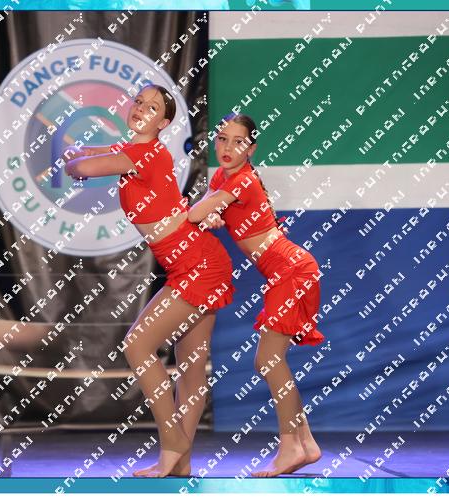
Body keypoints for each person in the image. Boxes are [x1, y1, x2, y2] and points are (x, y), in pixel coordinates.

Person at [63, 84, 234, 477]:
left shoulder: (146, 153)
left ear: (164, 122)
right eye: (139, 101)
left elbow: (85, 167)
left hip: (197, 264)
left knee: (138, 346)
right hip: (195, 261)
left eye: (153, 107)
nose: (141, 108)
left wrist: (74, 163)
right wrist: (81, 154)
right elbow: (96, 155)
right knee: (191, 367)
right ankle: (180, 463)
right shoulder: (133, 151)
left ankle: (174, 443)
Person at [186, 112, 324, 477]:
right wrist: (213, 214)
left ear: (251, 149)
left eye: (238, 142)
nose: (228, 148)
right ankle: (306, 443)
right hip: (286, 271)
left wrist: (209, 212)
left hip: (292, 269)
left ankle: (289, 447)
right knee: (271, 362)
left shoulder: (243, 179)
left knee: (268, 361)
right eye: (222, 139)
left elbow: (195, 214)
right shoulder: (221, 178)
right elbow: (208, 213)